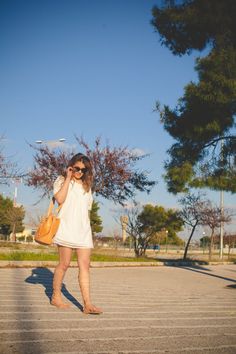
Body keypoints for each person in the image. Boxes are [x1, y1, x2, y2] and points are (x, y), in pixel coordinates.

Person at [50, 152, 103, 315]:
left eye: (84, 170)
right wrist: (67, 177)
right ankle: (55, 296)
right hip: (66, 228)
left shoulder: (87, 188)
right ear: (71, 166)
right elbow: (59, 199)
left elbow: (86, 210)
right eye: (77, 168)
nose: (80, 172)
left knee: (85, 266)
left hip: (83, 231)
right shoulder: (60, 181)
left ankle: (87, 304)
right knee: (64, 264)